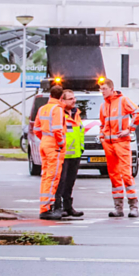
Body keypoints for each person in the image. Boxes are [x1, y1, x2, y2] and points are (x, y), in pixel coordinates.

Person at [99, 78, 139, 218]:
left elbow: (138, 113)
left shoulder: (123, 100)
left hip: (121, 143)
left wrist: (129, 129)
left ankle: (133, 207)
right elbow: (103, 123)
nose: (102, 91)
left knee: (126, 174)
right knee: (114, 176)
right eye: (101, 89)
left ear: (112, 89)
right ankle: (118, 208)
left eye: (104, 88)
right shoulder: (104, 105)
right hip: (109, 144)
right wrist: (102, 135)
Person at [33, 85, 66, 220]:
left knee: (46, 176)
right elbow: (58, 129)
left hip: (44, 143)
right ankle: (47, 208)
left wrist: (45, 139)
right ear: (61, 97)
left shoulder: (42, 108)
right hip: (53, 145)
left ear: (50, 95)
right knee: (53, 177)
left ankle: (44, 206)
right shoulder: (57, 109)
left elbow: (36, 129)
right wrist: (61, 143)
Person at [54, 89, 85, 218]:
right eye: (70, 98)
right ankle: (58, 207)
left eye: (74, 98)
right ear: (62, 100)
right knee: (60, 182)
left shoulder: (76, 114)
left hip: (75, 154)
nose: (74, 101)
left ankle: (68, 206)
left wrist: (81, 148)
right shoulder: (59, 114)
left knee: (70, 183)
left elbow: (80, 132)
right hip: (63, 154)